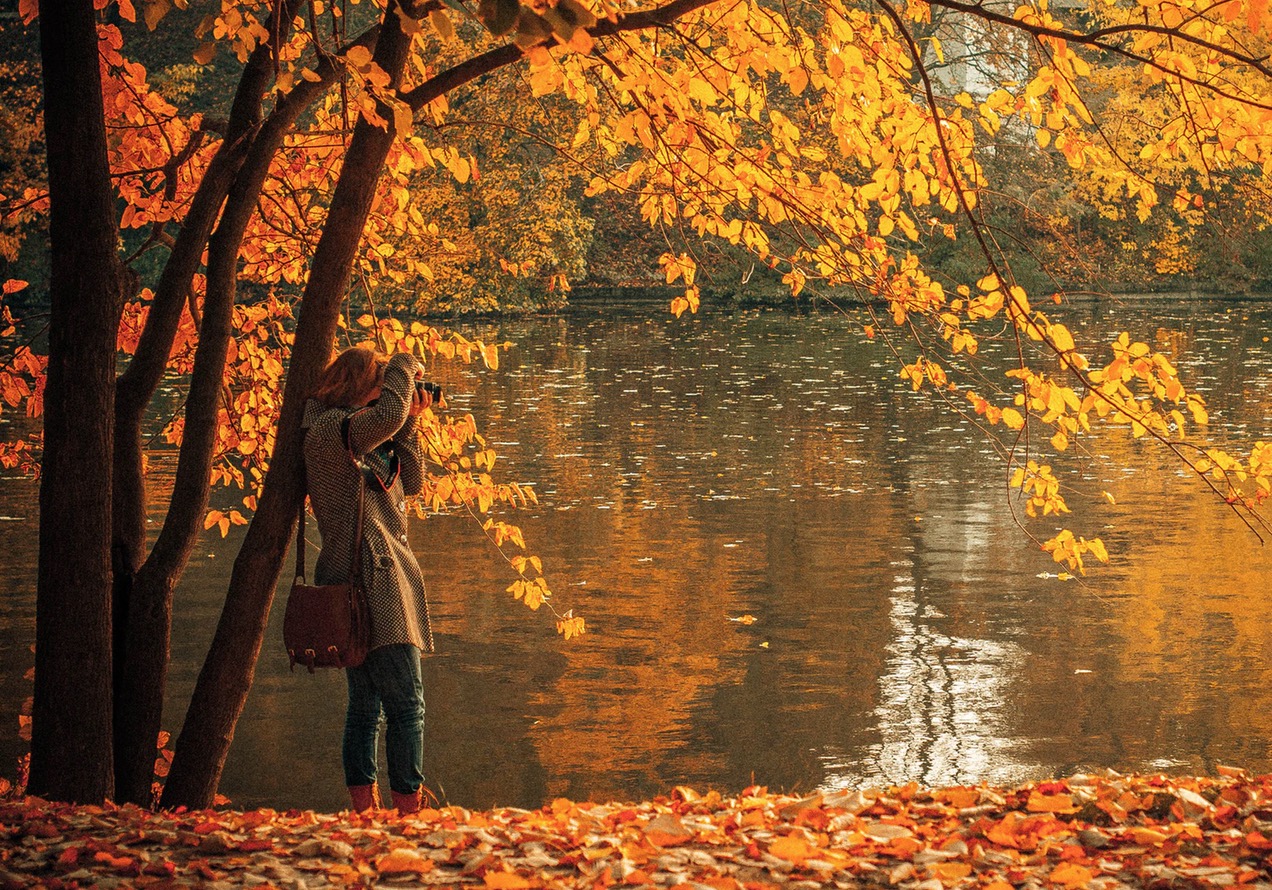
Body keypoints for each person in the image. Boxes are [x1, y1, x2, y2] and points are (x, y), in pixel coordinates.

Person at [301, 346, 435, 813]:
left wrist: (411, 423)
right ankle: (408, 814)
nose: (388, 392)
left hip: (380, 574)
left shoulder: (360, 436)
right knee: (406, 706)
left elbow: (412, 483)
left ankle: (369, 812)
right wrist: (402, 363)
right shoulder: (329, 432)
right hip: (369, 578)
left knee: (368, 708)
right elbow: (388, 414)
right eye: (380, 380)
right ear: (360, 384)